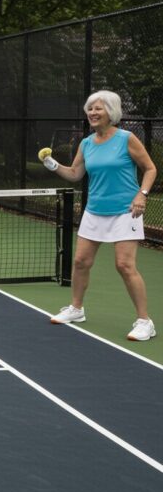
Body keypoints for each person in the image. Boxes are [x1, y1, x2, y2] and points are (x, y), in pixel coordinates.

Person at [41, 90, 157, 341]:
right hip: (94, 211)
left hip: (126, 211)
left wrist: (142, 194)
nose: (92, 113)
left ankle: (145, 322)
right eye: (90, 109)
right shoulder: (86, 143)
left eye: (98, 108)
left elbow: (150, 168)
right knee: (80, 262)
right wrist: (52, 164)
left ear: (111, 112)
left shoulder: (126, 139)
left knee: (124, 265)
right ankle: (76, 309)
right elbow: (75, 174)